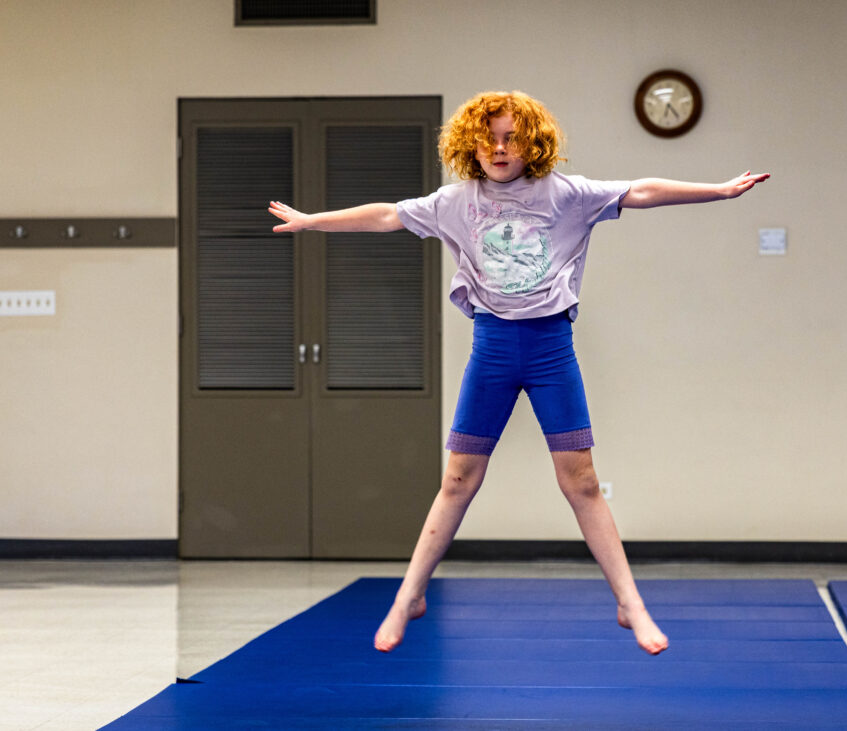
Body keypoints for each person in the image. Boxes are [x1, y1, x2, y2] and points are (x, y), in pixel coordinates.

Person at [269, 90, 769, 656]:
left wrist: (720, 191)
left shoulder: (566, 195)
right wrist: (313, 222)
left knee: (580, 480)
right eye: (489, 139)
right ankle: (410, 594)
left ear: (533, 142)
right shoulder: (456, 202)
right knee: (458, 479)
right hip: (493, 350)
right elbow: (388, 215)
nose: (500, 149)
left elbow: (642, 189)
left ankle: (631, 603)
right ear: (469, 147)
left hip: (552, 349)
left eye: (512, 137)